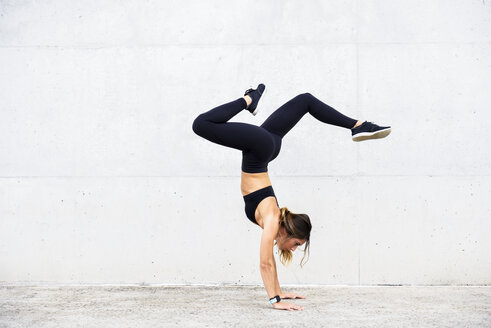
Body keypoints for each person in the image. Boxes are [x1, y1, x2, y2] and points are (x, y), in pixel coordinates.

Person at [191, 84, 391, 311]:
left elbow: (270, 261)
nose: (294, 249)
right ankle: (248, 100)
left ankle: (358, 126)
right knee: (200, 125)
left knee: (305, 100)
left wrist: (279, 293)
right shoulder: (273, 219)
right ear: (287, 230)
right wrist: (275, 302)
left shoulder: (273, 221)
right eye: (296, 243)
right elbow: (265, 263)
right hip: (260, 147)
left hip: (268, 144)